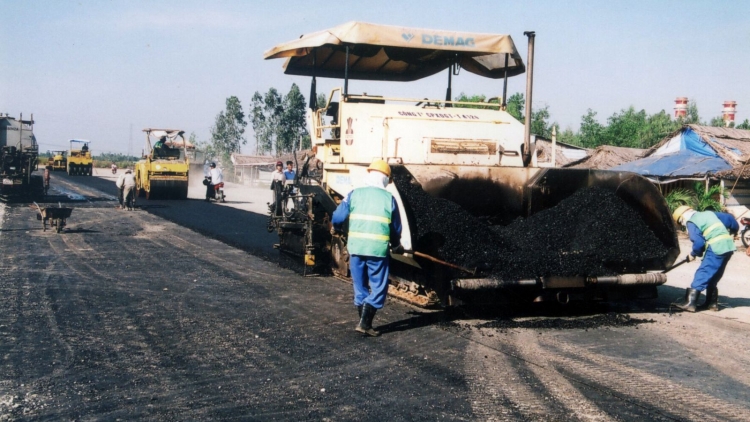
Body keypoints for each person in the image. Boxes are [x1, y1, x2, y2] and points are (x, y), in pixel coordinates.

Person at [331, 159, 404, 337]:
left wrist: (337, 227)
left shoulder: (354, 193)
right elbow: (395, 228)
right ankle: (365, 323)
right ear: (385, 178)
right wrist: (396, 245)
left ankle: (364, 323)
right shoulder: (389, 199)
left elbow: (338, 216)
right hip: (377, 251)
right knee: (378, 288)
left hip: (356, 248)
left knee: (360, 286)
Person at [671, 206, 738, 312]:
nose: (683, 225)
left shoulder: (691, 222)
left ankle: (690, 303)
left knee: (703, 272)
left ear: (682, 218)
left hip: (716, 247)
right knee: (714, 274)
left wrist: (693, 254)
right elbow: (731, 220)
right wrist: (734, 232)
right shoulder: (709, 214)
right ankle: (711, 304)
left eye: (681, 223)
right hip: (728, 247)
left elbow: (698, 243)